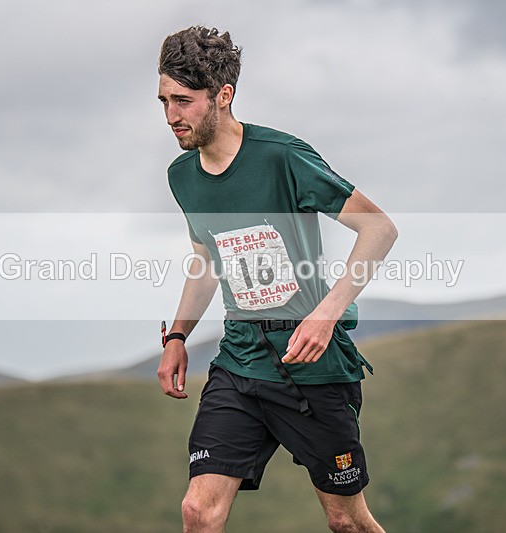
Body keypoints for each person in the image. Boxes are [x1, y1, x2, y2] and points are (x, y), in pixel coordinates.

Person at [156, 26, 398, 533]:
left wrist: (326, 313)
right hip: (240, 361)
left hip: (312, 368)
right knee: (198, 512)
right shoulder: (182, 175)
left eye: (184, 100)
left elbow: (378, 228)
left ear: (223, 96)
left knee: (346, 523)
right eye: (163, 100)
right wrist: (177, 335)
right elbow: (206, 260)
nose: (171, 115)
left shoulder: (282, 157)